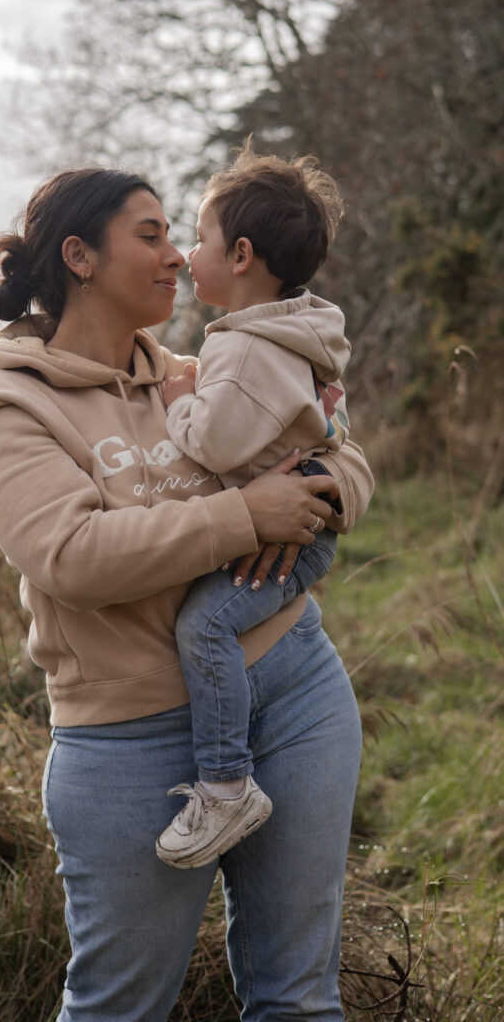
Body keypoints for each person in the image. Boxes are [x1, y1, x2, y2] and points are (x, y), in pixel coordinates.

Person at [0, 163, 374, 1021]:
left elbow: (340, 451)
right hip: (130, 742)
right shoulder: (4, 409)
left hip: (295, 691)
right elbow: (71, 557)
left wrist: (324, 488)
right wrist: (247, 514)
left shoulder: (196, 372)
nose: (178, 255)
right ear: (78, 256)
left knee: (299, 996)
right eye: (150, 235)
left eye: (179, 234)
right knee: (119, 1007)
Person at [155, 144, 352, 869]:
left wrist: (180, 400)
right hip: (300, 530)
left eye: (198, 239)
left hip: (286, 538)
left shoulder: (243, 350)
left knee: (205, 628)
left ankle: (225, 782)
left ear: (240, 254)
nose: (185, 256)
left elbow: (216, 443)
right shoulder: (295, 331)